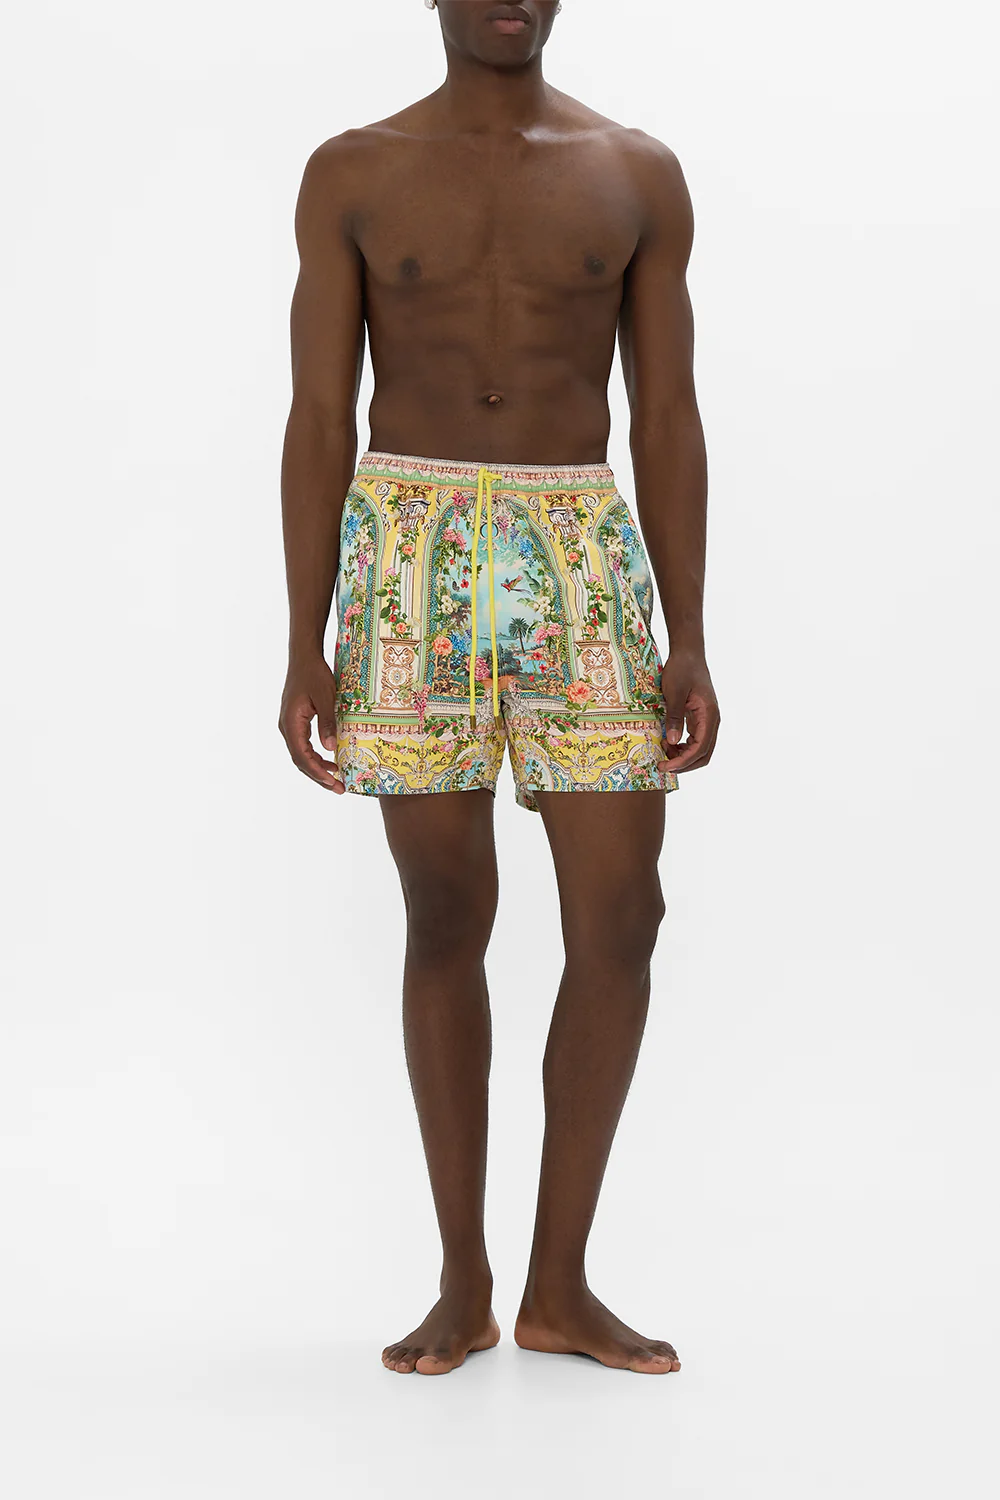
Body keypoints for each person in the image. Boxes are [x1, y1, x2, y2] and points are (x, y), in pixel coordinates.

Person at [278, 0, 719, 1376]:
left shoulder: (634, 172)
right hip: (408, 554)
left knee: (623, 914)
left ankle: (559, 1285)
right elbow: (317, 416)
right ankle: (462, 1283)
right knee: (445, 909)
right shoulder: (353, 170)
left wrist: (688, 632)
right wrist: (305, 637)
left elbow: (668, 412)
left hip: (577, 546)